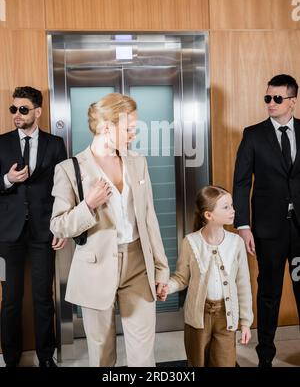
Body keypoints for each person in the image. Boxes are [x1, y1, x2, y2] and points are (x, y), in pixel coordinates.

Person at [50, 92, 169, 367]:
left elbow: (150, 219)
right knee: (102, 356)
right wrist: (88, 205)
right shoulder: (69, 169)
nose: (133, 133)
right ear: (107, 128)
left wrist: (161, 269)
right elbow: (58, 224)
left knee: (143, 357)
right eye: (128, 128)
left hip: (138, 263)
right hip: (95, 267)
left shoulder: (137, 162)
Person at [233, 73, 300, 367]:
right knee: (269, 292)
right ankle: (265, 357)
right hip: (268, 231)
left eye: (277, 98)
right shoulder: (253, 134)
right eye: (267, 98)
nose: (270, 103)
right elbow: (241, 182)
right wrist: (244, 226)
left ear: (292, 102)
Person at [0, 86, 67, 367]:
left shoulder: (55, 143)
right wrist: (7, 180)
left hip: (44, 232)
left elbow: (65, 188)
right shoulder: (0, 143)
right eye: (13, 109)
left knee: (43, 298)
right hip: (7, 235)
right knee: (11, 300)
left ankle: (45, 357)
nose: (17, 114)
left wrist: (61, 227)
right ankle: (11, 358)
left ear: (37, 112)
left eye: (23, 109)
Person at [165, 185, 253, 367]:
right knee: (196, 363)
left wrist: (245, 323)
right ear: (208, 215)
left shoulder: (236, 243)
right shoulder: (190, 242)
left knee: (225, 363)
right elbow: (181, 278)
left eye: (232, 205)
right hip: (197, 318)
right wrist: (168, 286)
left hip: (226, 317)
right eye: (226, 207)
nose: (233, 210)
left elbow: (243, 285)